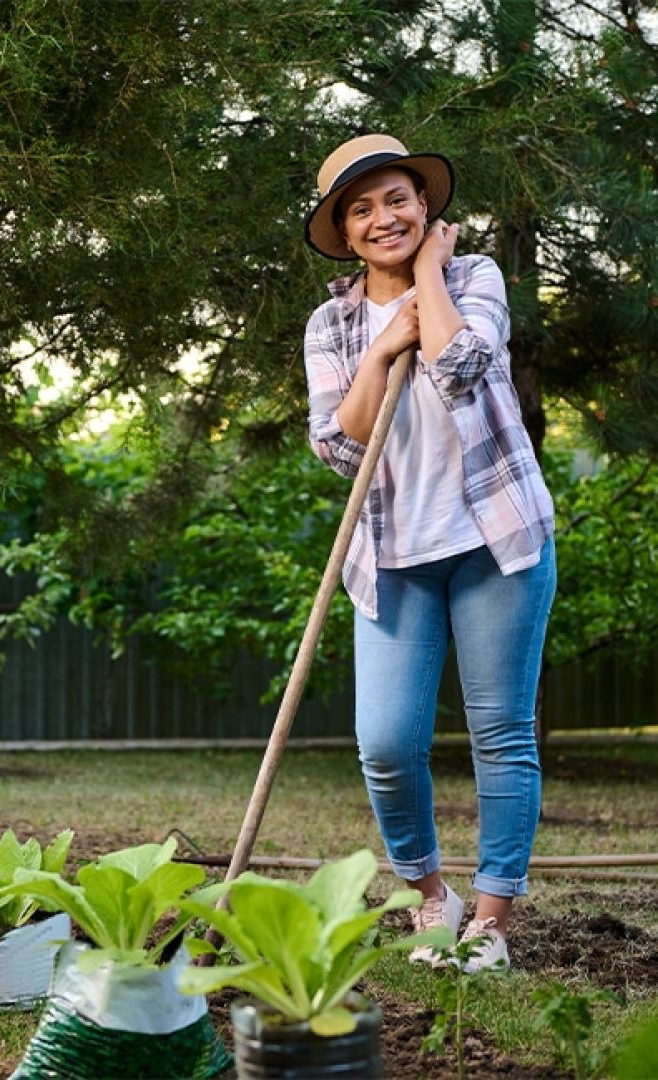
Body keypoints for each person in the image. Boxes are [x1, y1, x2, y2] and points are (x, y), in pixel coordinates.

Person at [302, 134, 556, 972]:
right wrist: (381, 346)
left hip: (494, 540)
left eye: (398, 198)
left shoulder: (475, 277)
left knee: (500, 734)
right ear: (342, 231)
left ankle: (490, 923)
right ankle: (430, 898)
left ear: (427, 207)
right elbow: (340, 447)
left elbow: (464, 364)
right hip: (392, 552)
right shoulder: (332, 324)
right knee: (385, 741)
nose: (384, 218)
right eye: (362, 208)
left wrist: (431, 280)